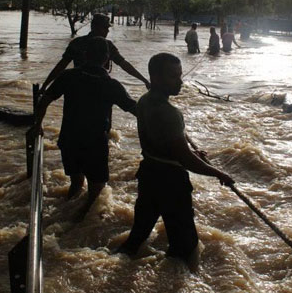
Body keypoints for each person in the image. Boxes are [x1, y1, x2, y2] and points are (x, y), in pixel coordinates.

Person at [116, 53, 235, 267]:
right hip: (170, 182)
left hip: (149, 173)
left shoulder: (144, 101)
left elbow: (166, 145)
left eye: (179, 75)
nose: (180, 81)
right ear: (155, 77)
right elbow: (184, 159)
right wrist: (218, 173)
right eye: (173, 76)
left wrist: (187, 151)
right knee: (185, 246)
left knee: (137, 235)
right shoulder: (170, 113)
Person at [31, 37, 137, 222]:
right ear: (106, 59)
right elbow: (135, 109)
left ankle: (65, 213)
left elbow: (45, 100)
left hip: (69, 139)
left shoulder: (69, 76)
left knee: (76, 182)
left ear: (85, 55)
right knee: (96, 191)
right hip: (95, 143)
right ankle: (78, 222)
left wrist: (38, 125)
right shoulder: (111, 85)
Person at [40, 14, 150, 94]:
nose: (107, 31)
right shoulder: (106, 45)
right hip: (97, 88)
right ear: (95, 27)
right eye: (105, 27)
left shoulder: (77, 43)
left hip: (77, 87)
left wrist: (45, 86)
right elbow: (123, 64)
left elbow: (61, 66)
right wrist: (144, 80)